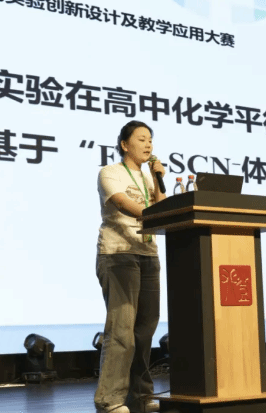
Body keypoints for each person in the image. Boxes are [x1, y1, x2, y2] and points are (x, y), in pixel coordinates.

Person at [94, 120, 167, 413]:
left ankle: (141, 397)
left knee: (144, 332)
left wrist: (159, 180)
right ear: (125, 144)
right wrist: (157, 214)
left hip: (148, 254)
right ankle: (109, 399)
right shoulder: (109, 172)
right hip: (118, 254)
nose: (148, 144)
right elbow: (123, 204)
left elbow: (163, 207)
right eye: (141, 139)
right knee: (121, 330)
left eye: (150, 139)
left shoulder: (149, 178)